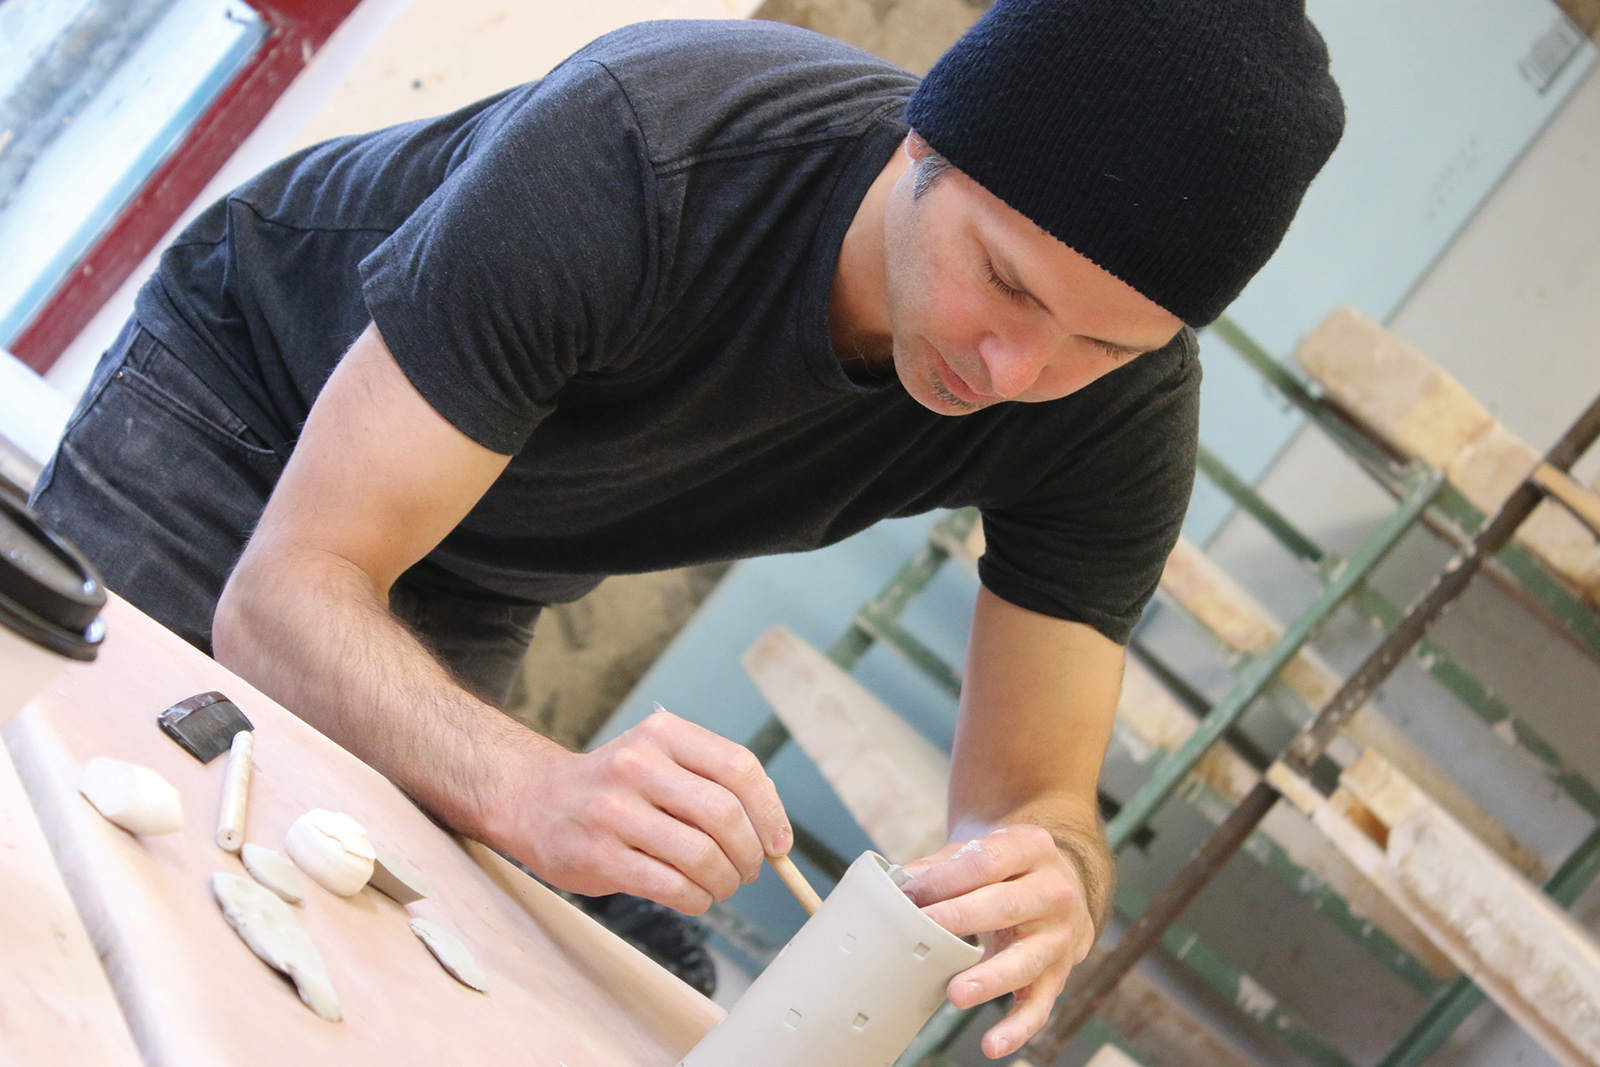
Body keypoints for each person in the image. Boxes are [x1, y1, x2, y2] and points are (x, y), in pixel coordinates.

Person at [33, 0, 1342, 1055]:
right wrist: (530, 787)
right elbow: (286, 600)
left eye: (1104, 342)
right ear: (921, 147)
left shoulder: (1116, 415)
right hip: (252, 392)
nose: (1014, 367)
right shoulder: (644, 148)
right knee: (92, 830)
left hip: (482, 551)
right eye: (1000, 277)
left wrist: (1047, 878)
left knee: (363, 939)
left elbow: (1031, 800)